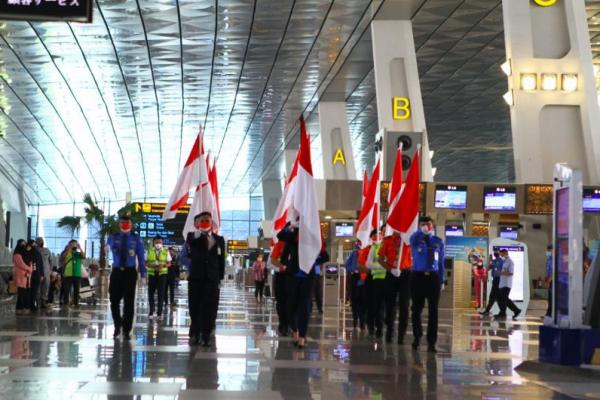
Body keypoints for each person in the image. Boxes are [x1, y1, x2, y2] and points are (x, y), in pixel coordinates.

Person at [186, 212, 226, 347]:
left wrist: (220, 277)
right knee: (195, 306)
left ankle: (206, 334)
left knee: (210, 307)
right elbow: (191, 245)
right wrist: (198, 232)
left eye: (207, 220)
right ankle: (196, 332)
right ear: (197, 223)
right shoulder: (192, 237)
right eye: (202, 221)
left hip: (212, 279)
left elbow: (221, 261)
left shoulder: (219, 239)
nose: (205, 223)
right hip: (196, 278)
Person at [107, 215, 147, 340]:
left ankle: (126, 328)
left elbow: (140, 257)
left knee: (129, 302)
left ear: (131, 224)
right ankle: (117, 324)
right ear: (119, 224)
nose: (125, 224)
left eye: (127, 223)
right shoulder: (113, 237)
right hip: (117, 271)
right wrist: (107, 247)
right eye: (123, 222)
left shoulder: (137, 239)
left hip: (130, 273)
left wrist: (143, 274)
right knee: (114, 300)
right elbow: (108, 247)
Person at [409, 216, 445, 353]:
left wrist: (441, 281)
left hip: (433, 278)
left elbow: (441, 263)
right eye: (422, 224)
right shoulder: (416, 239)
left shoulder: (438, 242)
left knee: (433, 311)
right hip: (417, 277)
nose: (425, 226)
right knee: (416, 310)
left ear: (433, 225)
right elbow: (412, 240)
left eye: (428, 224)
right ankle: (417, 336)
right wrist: (421, 231)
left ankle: (431, 341)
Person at [280, 220, 316, 349]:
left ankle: (302, 336)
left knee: (305, 307)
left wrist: (314, 262)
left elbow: (323, 253)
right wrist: (291, 226)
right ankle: (294, 330)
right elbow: (280, 236)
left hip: (308, 276)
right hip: (293, 276)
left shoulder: (313, 232)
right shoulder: (292, 234)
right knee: (291, 306)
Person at [379, 230, 412, 344]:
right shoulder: (387, 241)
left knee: (404, 305)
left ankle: (401, 335)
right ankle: (389, 331)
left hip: (406, 274)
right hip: (391, 274)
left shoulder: (409, 240)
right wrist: (390, 269)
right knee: (390, 304)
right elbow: (380, 259)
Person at [358, 229, 386, 339]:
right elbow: (362, 265)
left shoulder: (386, 247)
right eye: (375, 235)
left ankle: (380, 326)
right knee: (370, 303)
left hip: (384, 279)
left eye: (380, 234)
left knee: (381, 305)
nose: (378, 236)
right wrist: (379, 266)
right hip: (370, 278)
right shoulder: (368, 249)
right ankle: (370, 324)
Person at [146, 236, 171, 320]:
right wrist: (152, 266)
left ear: (162, 243)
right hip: (152, 274)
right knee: (150, 293)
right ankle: (151, 311)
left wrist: (163, 265)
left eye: (160, 242)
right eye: (157, 242)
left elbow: (169, 263)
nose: (158, 244)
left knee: (161, 294)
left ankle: (159, 313)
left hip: (162, 274)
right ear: (153, 242)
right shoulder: (149, 251)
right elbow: (145, 263)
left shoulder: (165, 251)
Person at [269, 236, 289, 336]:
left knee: (291, 302)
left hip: (293, 277)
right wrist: (281, 268)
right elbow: (270, 263)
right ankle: (283, 324)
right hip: (281, 277)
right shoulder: (279, 244)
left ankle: (290, 324)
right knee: (281, 303)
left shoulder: (298, 244)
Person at [495, 249, 521, 321]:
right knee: (503, 299)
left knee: (503, 299)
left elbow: (511, 273)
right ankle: (515, 310)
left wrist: (500, 272)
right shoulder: (505, 261)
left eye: (502, 254)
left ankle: (503, 313)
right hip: (502, 283)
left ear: (505, 253)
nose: (501, 256)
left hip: (507, 284)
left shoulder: (510, 262)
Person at [346, 241, 366, 330]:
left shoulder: (364, 252)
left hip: (361, 277)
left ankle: (360, 321)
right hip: (359, 277)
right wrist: (354, 269)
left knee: (359, 300)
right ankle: (358, 320)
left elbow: (348, 266)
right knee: (358, 300)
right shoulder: (355, 253)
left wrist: (354, 269)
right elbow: (348, 266)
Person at [60, 239, 85, 308]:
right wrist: (69, 249)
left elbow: (84, 256)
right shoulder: (67, 253)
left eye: (75, 244)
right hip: (68, 274)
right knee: (66, 289)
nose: (74, 245)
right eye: (72, 244)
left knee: (76, 289)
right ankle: (66, 303)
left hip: (77, 274)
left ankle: (76, 303)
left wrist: (80, 248)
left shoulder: (78, 253)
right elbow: (63, 258)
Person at [480, 251, 503, 316]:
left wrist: (491, 260)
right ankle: (501, 312)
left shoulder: (500, 261)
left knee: (494, 296)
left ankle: (488, 311)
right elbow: (489, 268)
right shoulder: (495, 261)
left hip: (498, 280)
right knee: (496, 297)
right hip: (495, 280)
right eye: (495, 252)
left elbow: (494, 267)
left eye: (496, 252)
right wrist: (490, 260)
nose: (495, 253)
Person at [12, 239, 32, 315]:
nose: (24, 245)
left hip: (27, 275)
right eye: (22, 243)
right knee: (21, 293)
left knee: (25, 292)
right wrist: (29, 269)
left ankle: (24, 307)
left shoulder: (25, 253)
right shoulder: (17, 254)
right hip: (21, 275)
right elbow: (21, 264)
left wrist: (30, 269)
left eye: (25, 243)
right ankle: (19, 308)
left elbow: (29, 262)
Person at [35, 237, 52, 309]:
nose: (41, 242)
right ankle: (37, 302)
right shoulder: (34, 250)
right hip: (37, 272)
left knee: (46, 287)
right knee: (37, 288)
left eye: (42, 241)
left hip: (46, 272)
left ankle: (43, 302)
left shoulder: (47, 250)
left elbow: (50, 261)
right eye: (39, 241)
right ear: (36, 242)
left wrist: (50, 271)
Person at [28, 239, 44, 311]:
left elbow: (41, 264)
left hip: (34, 274)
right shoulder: (33, 253)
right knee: (32, 290)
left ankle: (31, 304)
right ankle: (31, 304)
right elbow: (41, 265)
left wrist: (42, 275)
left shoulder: (35, 253)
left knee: (33, 290)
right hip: (33, 274)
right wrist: (41, 274)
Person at [545, 245, 553, 318]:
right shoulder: (549, 259)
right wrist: (546, 280)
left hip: (553, 281)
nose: (547, 252)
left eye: (549, 250)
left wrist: (549, 281)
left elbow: (553, 272)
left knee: (552, 298)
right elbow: (548, 271)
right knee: (550, 298)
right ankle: (549, 313)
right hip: (549, 280)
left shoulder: (555, 259)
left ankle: (550, 314)